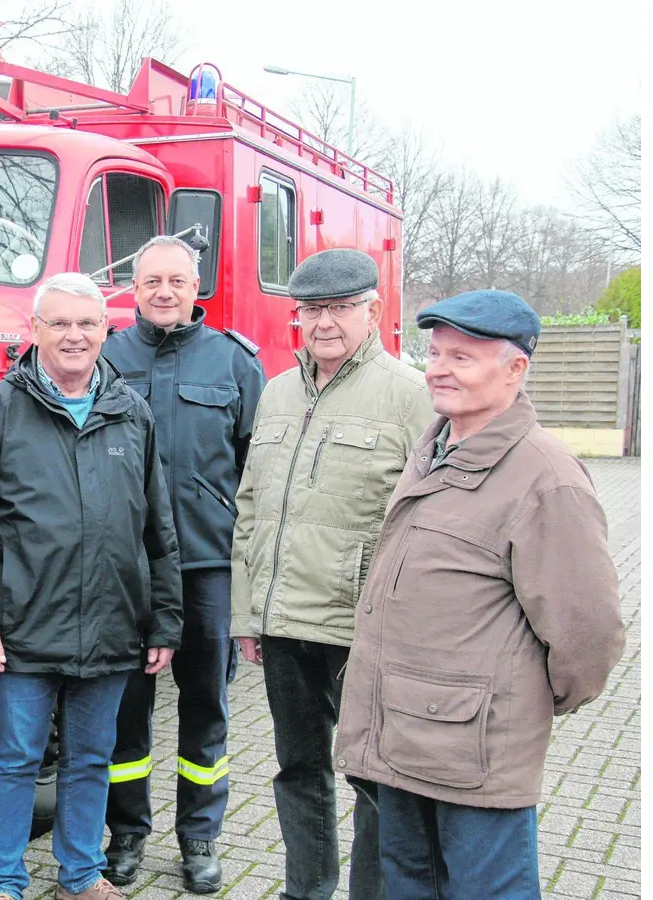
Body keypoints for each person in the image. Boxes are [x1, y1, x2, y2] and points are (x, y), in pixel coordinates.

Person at [334, 290, 626, 899]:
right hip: (403, 732)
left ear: (515, 369)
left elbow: (588, 633)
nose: (439, 368)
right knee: (408, 885)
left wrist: (516, 707)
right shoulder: (436, 447)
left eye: (462, 358)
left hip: (475, 750)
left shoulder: (546, 477)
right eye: (435, 353)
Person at [0, 271, 184, 900]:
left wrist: (163, 620)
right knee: (14, 759)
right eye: (60, 323)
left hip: (111, 626)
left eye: (87, 323)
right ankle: (2, 881)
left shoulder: (132, 413)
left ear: (107, 330)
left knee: (90, 761)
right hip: (21, 629)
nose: (74, 335)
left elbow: (158, 529)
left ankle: (80, 874)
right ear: (35, 330)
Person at [230, 248, 435, 900]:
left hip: (364, 628)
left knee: (375, 780)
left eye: (340, 308)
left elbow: (431, 519)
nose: (325, 322)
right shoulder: (276, 392)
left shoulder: (412, 396)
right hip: (285, 622)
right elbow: (251, 509)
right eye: (313, 309)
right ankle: (305, 890)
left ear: (372, 310)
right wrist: (247, 613)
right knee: (299, 770)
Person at [98, 235, 266, 894]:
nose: (164, 292)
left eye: (176, 280)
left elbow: (256, 472)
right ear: (133, 289)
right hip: (124, 567)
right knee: (124, 709)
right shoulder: (107, 357)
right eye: (151, 282)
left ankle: (200, 836)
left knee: (206, 704)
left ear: (197, 286)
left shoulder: (234, 364)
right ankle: (127, 834)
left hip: (206, 567)